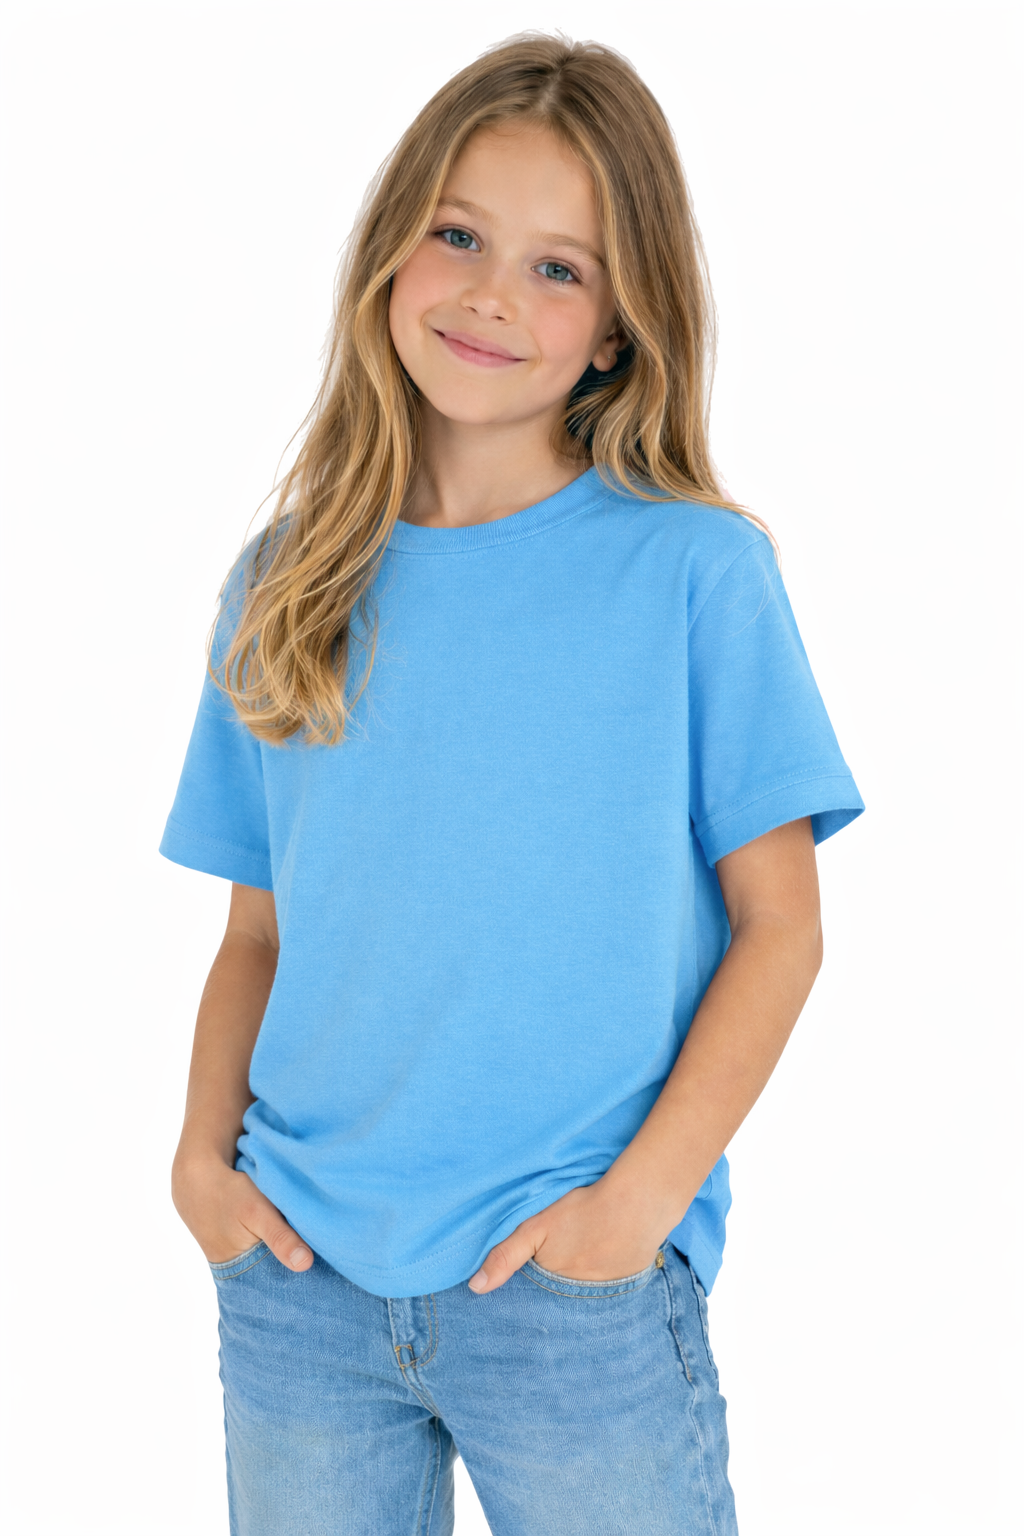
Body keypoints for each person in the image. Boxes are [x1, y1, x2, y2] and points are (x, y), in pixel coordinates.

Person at [161, 33, 863, 1536]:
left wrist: (634, 1214)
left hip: (572, 1293)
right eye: (460, 236)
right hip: (298, 1283)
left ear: (617, 328)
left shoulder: (694, 575)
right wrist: (200, 1170)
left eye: (560, 269)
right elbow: (258, 934)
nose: (492, 295)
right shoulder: (286, 582)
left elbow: (782, 928)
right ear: (388, 251)